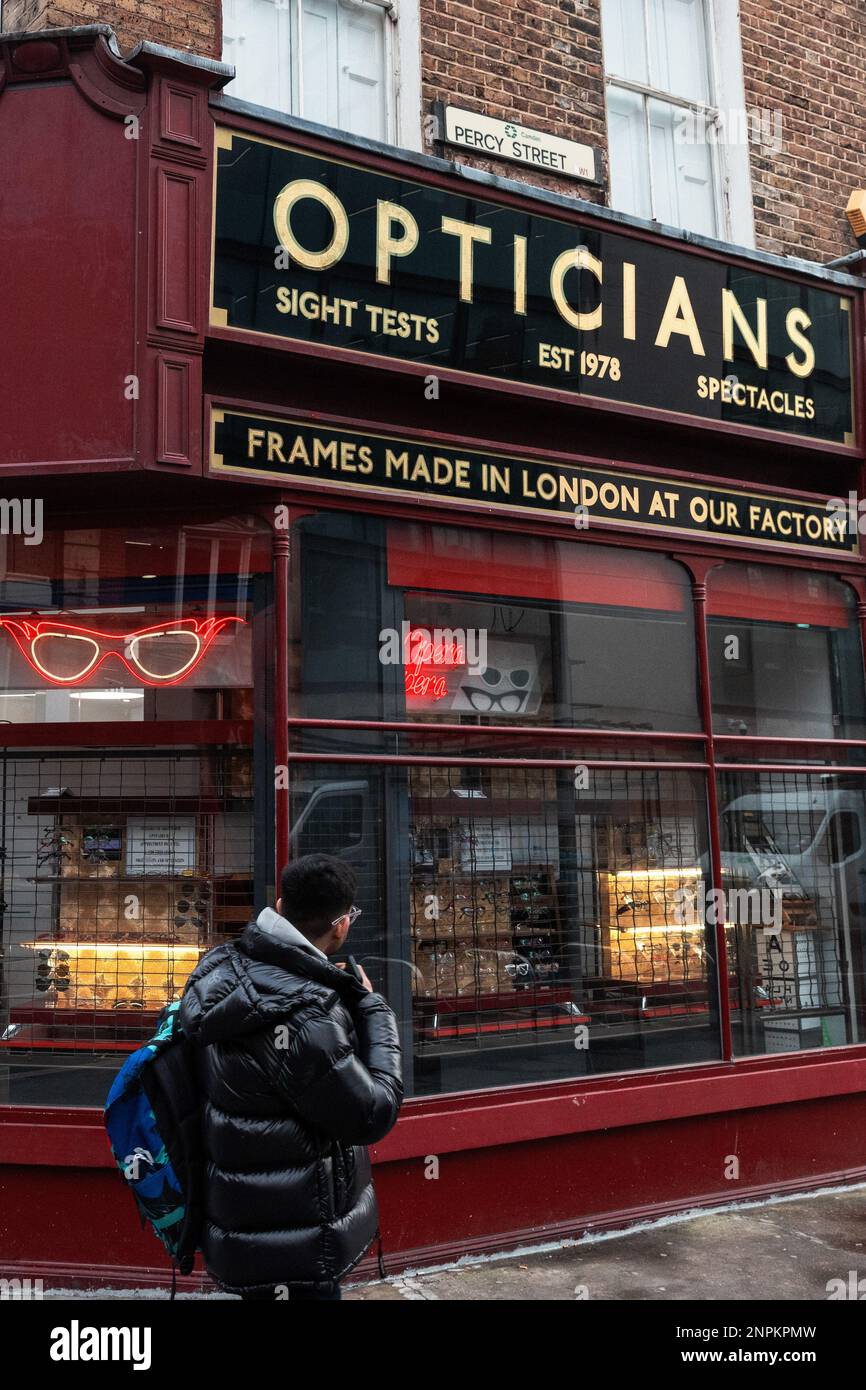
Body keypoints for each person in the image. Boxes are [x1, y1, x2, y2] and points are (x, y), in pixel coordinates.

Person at [179, 853, 403, 1300]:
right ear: (341, 924)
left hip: (242, 1217)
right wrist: (372, 1008)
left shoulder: (222, 965)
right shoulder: (308, 1018)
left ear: (280, 906)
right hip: (299, 1231)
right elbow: (371, 1113)